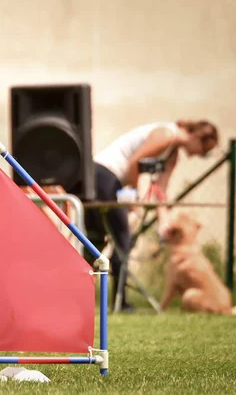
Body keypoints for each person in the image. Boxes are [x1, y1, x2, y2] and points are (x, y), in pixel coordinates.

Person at [86, 119, 219, 311]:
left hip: (113, 181)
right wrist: (136, 198)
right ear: (197, 136)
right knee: (118, 238)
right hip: (104, 175)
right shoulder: (166, 134)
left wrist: (163, 223)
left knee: (107, 239)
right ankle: (118, 303)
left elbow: (160, 191)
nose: (199, 155)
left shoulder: (172, 154)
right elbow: (134, 164)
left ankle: (106, 298)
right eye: (204, 150)